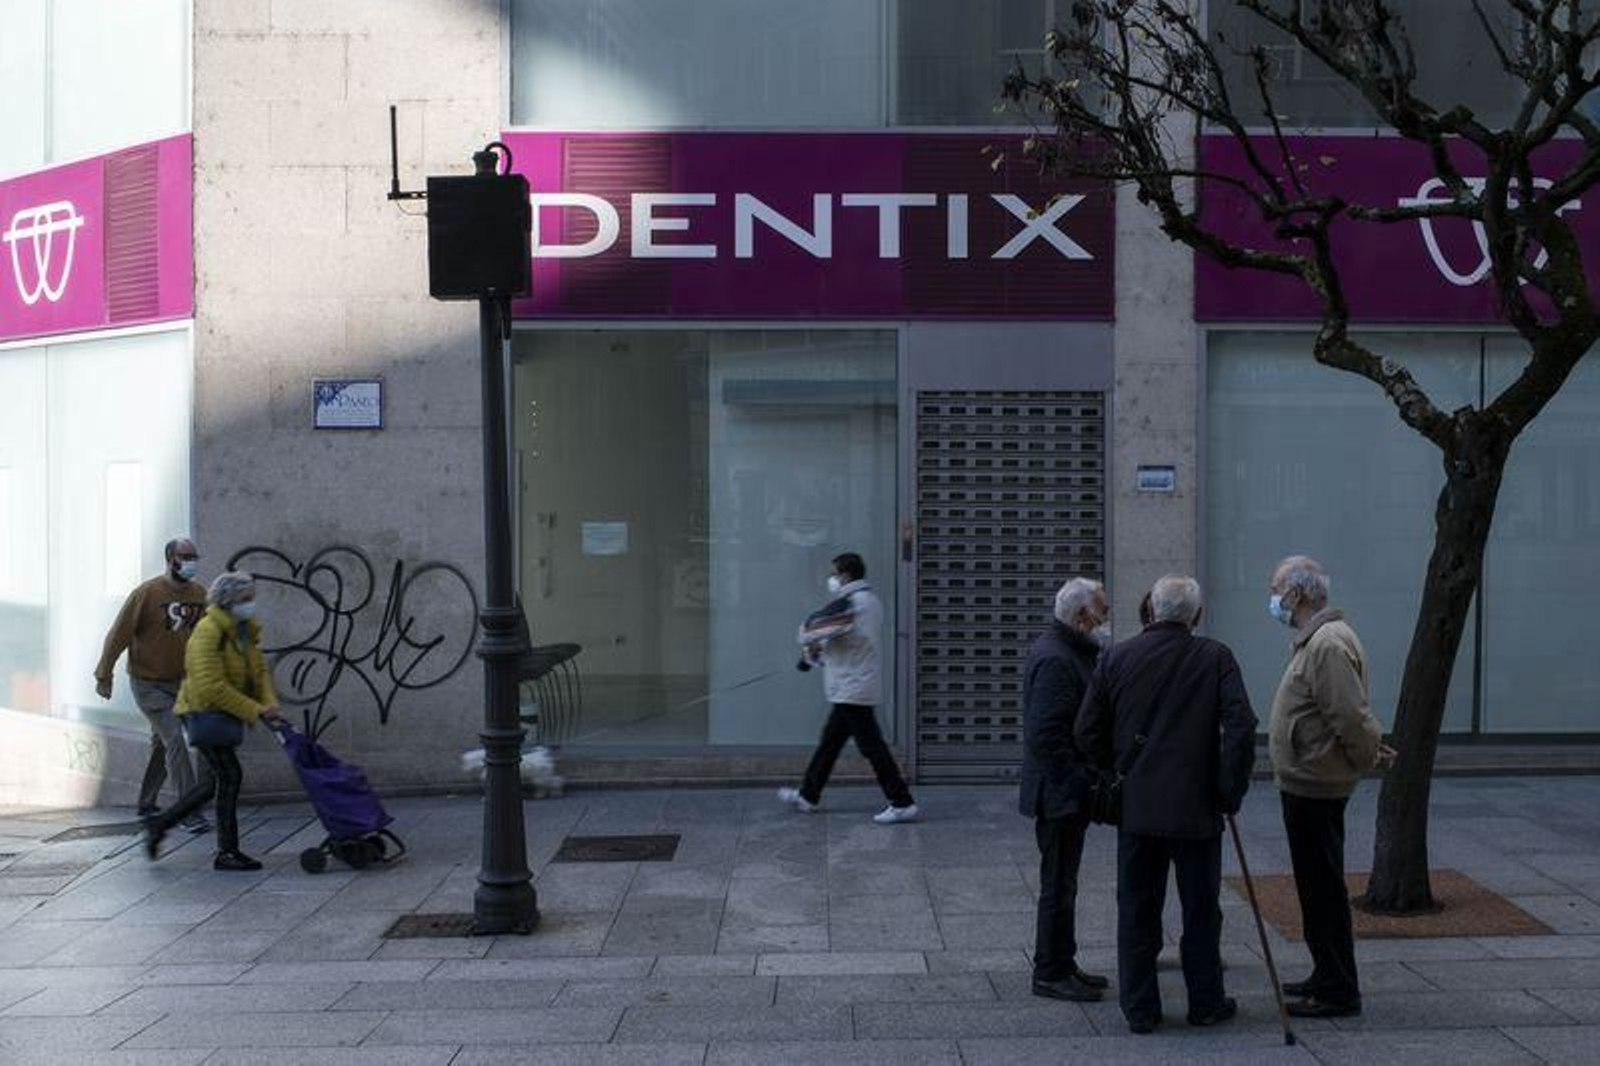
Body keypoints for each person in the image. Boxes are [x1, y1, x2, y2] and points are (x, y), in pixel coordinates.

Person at [1076, 575, 1257, 1034]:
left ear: (1152, 610)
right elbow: (1241, 728)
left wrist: (1116, 771)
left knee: (1137, 909)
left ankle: (1140, 1008)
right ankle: (1206, 1002)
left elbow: (1086, 732)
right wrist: (1228, 790)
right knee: (1201, 910)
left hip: (1138, 807)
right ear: (1196, 615)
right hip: (1197, 807)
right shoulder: (1216, 657)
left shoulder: (1116, 657)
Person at [1267, 555, 1394, 1019]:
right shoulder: (1318, 639)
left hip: (1316, 782)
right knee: (1315, 885)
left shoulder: (1327, 644)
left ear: (1297, 593)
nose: (1273, 598)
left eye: (1276, 588)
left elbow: (1350, 715)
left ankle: (1338, 987)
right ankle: (1326, 973)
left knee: (1322, 888)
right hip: (1308, 779)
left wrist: (1366, 755)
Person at [143, 571, 281, 871]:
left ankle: (160, 825)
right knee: (230, 775)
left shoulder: (244, 630)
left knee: (211, 784)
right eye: (245, 598)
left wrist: (269, 702)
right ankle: (227, 852)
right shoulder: (208, 631)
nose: (251, 603)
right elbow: (210, 686)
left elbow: (258, 672)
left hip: (222, 713)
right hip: (202, 711)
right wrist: (255, 710)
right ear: (228, 600)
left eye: (252, 597)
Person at [1019, 577, 1112, 1003]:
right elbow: (1046, 735)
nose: (1105, 620)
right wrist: (1079, 783)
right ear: (1081, 616)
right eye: (1102, 612)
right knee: (1057, 886)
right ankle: (1050, 971)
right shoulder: (1057, 659)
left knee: (1064, 883)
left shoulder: (1068, 650)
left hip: (1063, 791)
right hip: (1058, 794)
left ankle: (1064, 962)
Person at [778, 552, 918, 825]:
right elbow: (847, 638)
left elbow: (812, 628)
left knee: (871, 747)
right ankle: (808, 795)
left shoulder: (852, 602)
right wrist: (814, 655)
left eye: (833, 573)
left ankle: (902, 802)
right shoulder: (870, 600)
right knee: (830, 743)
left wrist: (807, 644)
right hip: (853, 685)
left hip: (852, 688)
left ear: (845, 575)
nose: (830, 578)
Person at [94, 537, 211, 833]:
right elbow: (118, 634)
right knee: (175, 740)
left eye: (194, 556)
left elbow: (211, 636)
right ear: (170, 559)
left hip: (184, 685)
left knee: (163, 743)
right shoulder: (147, 593)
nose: (190, 562)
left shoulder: (200, 595)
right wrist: (104, 674)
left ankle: (147, 802)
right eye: (185, 556)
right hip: (149, 684)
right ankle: (189, 812)